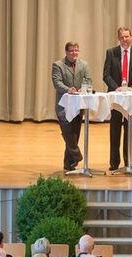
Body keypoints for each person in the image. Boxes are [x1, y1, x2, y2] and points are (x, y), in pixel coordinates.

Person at [103, 26, 132, 171]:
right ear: (118, 38)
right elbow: (106, 75)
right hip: (116, 96)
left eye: (127, 37)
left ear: (131, 37)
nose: (125, 40)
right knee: (114, 130)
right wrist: (117, 88)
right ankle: (114, 162)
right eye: (122, 37)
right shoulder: (111, 52)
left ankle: (129, 161)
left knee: (130, 130)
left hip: (131, 97)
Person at [51, 41, 91, 171]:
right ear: (66, 52)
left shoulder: (83, 65)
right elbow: (57, 83)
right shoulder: (58, 65)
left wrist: (82, 89)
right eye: (71, 51)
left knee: (74, 135)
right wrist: (69, 89)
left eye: (76, 50)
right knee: (68, 134)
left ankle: (68, 164)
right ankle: (77, 155)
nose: (74, 53)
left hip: (79, 106)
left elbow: (88, 80)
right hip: (64, 107)